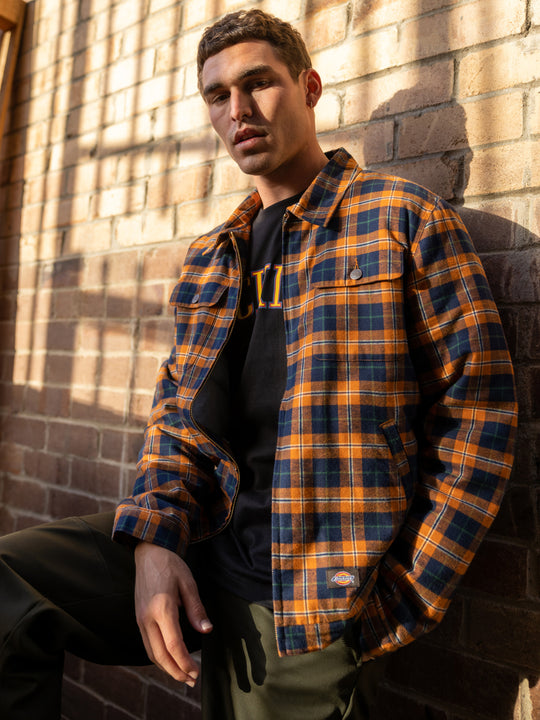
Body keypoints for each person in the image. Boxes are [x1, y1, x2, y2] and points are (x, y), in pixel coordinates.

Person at [0, 9, 518, 720]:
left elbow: (479, 419)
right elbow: (176, 419)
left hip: (305, 600)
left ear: (309, 88)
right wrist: (152, 540)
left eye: (258, 83)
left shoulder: (401, 220)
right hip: (197, 546)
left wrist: (396, 603)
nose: (238, 109)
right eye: (218, 95)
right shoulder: (213, 256)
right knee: (10, 586)